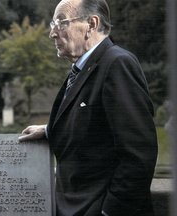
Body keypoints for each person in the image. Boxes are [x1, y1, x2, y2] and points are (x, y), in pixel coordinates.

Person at [18, 0, 158, 215]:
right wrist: (49, 130)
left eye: (61, 23)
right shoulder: (85, 67)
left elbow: (139, 155)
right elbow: (94, 126)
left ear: (92, 24)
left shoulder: (117, 64)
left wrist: (110, 211)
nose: (52, 34)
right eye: (52, 24)